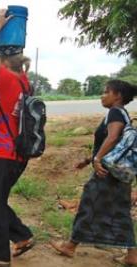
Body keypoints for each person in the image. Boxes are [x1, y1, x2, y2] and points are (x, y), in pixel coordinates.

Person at [50, 79, 137, 266]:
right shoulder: (123, 114)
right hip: (118, 174)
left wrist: (97, 160)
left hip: (107, 174)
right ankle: (132, 255)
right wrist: (88, 160)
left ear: (118, 96)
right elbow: (114, 145)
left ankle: (70, 246)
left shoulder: (115, 113)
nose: (102, 95)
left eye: (106, 92)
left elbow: (113, 138)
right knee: (119, 211)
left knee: (88, 205)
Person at [0, 8, 34, 267]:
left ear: (2, 62)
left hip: (5, 154)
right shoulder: (24, 81)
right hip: (17, 154)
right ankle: (22, 236)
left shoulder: (9, 81)